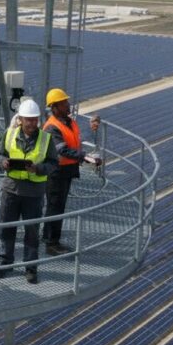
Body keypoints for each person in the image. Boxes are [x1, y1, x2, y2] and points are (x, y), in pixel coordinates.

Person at [0, 99, 58, 284]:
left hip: (33, 193)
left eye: (34, 119)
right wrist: (2, 162)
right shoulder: (9, 134)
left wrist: (38, 169)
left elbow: (53, 163)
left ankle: (31, 268)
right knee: (6, 227)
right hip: (11, 189)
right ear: (20, 119)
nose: (31, 123)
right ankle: (5, 262)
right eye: (28, 119)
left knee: (32, 231)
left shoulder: (46, 139)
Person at [42, 88, 101, 256]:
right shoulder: (52, 127)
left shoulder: (69, 122)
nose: (68, 105)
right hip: (56, 172)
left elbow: (75, 141)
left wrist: (93, 127)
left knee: (57, 206)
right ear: (54, 107)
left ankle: (47, 236)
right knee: (55, 207)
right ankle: (51, 244)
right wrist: (85, 157)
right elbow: (62, 150)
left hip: (67, 170)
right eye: (63, 103)